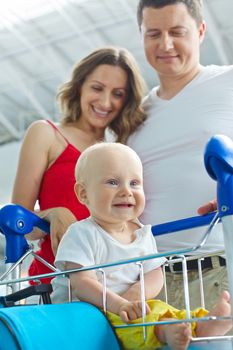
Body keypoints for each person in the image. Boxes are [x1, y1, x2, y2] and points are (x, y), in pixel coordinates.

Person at [52, 142, 232, 350]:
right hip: (88, 314)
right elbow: (82, 283)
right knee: (134, 322)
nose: (126, 191)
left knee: (160, 309)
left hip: (127, 309)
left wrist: (138, 292)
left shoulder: (142, 233)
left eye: (135, 183)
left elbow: (155, 272)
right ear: (83, 193)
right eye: (112, 182)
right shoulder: (81, 233)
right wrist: (119, 304)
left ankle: (201, 325)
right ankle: (167, 332)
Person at [126, 0, 233, 310]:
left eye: (177, 31)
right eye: (154, 33)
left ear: (200, 31)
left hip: (221, 272)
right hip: (152, 284)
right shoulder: (132, 117)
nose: (166, 44)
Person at [11, 46, 147, 284]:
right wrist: (53, 214)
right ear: (79, 86)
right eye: (97, 88)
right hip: (56, 284)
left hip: (115, 284)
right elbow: (17, 222)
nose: (106, 102)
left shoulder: (123, 150)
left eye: (118, 93)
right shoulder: (46, 134)